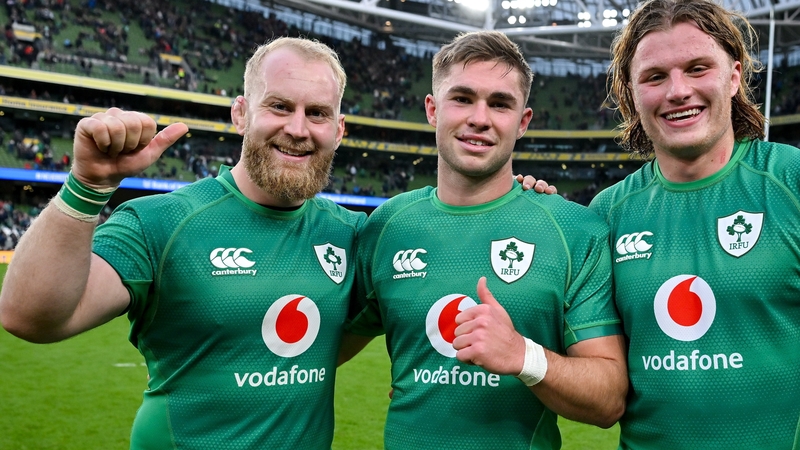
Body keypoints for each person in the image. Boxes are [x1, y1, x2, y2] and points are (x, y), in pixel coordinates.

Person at [0, 37, 366, 449]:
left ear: (338, 131)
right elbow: (28, 317)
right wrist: (86, 186)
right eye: (279, 106)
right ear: (241, 114)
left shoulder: (353, 234)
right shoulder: (161, 222)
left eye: (317, 113)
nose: (297, 129)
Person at [343, 30, 628, 449]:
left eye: (500, 103)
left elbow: (609, 400)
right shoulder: (387, 226)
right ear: (432, 109)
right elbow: (314, 351)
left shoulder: (574, 231)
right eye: (462, 98)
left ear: (523, 121)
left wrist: (522, 356)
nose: (480, 117)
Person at [590, 0, 800, 448]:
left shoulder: (791, 181)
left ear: (735, 76)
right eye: (655, 76)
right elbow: (588, 366)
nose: (677, 91)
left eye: (698, 68)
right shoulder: (605, 215)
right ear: (631, 92)